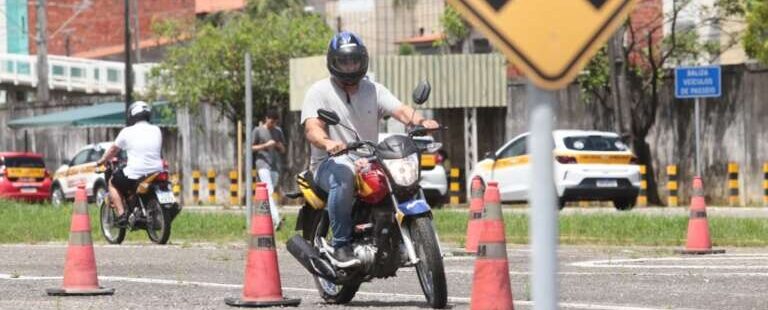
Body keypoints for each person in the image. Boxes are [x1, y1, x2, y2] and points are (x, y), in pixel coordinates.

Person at [300, 31, 439, 263]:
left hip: (368, 158)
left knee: (399, 178)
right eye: (344, 61)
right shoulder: (319, 91)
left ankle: (395, 236)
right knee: (344, 176)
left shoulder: (373, 89)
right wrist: (328, 143)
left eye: (354, 60)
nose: (350, 66)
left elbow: (400, 110)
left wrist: (421, 121)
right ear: (333, 62)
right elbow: (312, 128)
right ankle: (341, 244)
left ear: (362, 60)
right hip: (330, 162)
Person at [97, 101, 163, 225]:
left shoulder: (127, 131)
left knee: (112, 182)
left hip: (137, 173)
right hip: (157, 171)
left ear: (132, 115)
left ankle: (122, 215)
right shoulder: (157, 129)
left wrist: (103, 160)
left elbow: (113, 150)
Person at [251, 109, 286, 229]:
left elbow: (283, 150)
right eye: (271, 122)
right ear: (266, 119)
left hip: (275, 166)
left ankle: (265, 219)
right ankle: (276, 219)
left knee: (269, 192)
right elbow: (251, 147)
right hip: (262, 164)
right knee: (269, 190)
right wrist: (265, 145)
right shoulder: (258, 130)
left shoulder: (278, 131)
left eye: (275, 122)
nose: (273, 125)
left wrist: (279, 146)